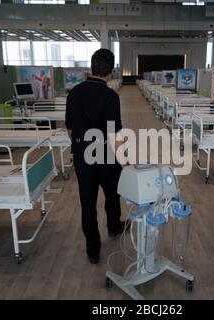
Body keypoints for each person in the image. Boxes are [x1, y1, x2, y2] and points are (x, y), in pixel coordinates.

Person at [65, 49, 128, 264]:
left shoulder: (74, 93)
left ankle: (93, 249)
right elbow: (113, 134)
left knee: (88, 203)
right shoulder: (110, 96)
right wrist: (124, 160)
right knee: (112, 196)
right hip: (106, 157)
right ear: (111, 72)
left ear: (91, 68)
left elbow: (71, 130)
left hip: (83, 158)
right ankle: (113, 226)